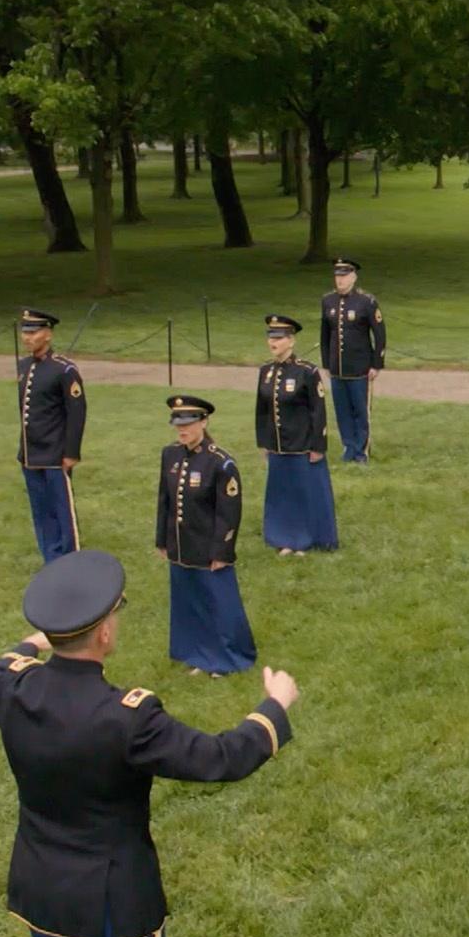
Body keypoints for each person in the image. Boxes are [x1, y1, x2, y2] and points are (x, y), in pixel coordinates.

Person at [0, 549, 297, 937]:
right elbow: (221, 758)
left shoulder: (12, 690)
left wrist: (32, 642)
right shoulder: (126, 718)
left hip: (43, 889)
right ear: (104, 634)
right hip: (113, 903)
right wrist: (274, 708)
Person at [157, 395, 255, 676]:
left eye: (188, 424)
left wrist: (222, 553)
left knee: (218, 604)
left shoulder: (221, 464)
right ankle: (197, 652)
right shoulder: (170, 455)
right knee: (189, 602)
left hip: (208, 548)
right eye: (177, 424)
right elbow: (164, 500)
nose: (181, 430)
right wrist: (162, 539)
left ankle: (226, 657)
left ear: (204, 421)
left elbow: (229, 513)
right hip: (180, 544)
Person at [256, 315, 337, 555]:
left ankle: (307, 539)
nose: (273, 343)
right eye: (271, 338)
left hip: (302, 445)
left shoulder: (307, 372)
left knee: (305, 494)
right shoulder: (265, 372)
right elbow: (262, 411)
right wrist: (264, 443)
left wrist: (318, 445)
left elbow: (318, 411)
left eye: (279, 338)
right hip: (278, 446)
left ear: (291, 341)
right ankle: (283, 538)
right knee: (282, 495)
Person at [15, 309, 87, 564]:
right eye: (25, 332)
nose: (27, 338)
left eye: (33, 332)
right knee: (41, 509)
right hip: (31, 453)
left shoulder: (64, 370)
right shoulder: (24, 366)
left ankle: (70, 558)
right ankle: (51, 557)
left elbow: (77, 413)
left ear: (48, 334)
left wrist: (71, 452)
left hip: (55, 453)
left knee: (61, 509)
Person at [318, 256, 384, 463]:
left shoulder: (366, 302)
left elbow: (380, 334)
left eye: (345, 276)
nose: (340, 280)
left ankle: (361, 449)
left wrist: (376, 364)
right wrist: (326, 363)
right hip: (337, 367)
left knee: (360, 410)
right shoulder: (328, 301)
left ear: (354, 277)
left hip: (360, 367)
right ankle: (349, 446)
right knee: (342, 410)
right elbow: (325, 334)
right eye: (337, 276)